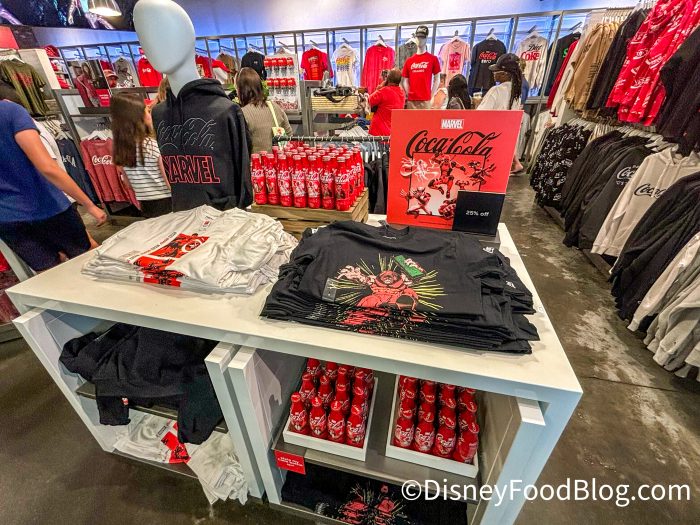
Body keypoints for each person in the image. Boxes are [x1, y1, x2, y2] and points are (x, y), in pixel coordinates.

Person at [0, 98, 106, 272]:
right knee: (92, 261)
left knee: (50, 274)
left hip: (7, 218)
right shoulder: (10, 111)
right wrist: (89, 205)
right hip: (47, 206)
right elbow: (47, 167)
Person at [110, 93, 172, 218]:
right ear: (140, 117)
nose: (150, 115)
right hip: (166, 201)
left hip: (145, 203)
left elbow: (128, 184)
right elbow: (168, 181)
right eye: (147, 111)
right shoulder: (152, 145)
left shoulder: (121, 148)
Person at [478, 53, 524, 172]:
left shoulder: (496, 90)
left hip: (491, 138)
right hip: (505, 139)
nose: (494, 73)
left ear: (505, 74)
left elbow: (480, 115)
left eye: (496, 71)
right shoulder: (516, 92)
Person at [237, 67, 292, 153]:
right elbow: (289, 135)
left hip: (256, 160)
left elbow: (239, 147)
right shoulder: (274, 106)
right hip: (278, 159)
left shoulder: (243, 113)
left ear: (241, 90)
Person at [368, 68, 405, 136]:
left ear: (388, 78)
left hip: (378, 132)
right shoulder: (402, 93)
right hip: (393, 133)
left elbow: (369, 101)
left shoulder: (383, 91)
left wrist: (378, 89)